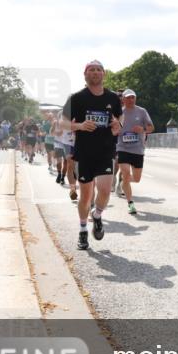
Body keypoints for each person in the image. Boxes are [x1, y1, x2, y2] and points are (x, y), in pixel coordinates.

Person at [62, 61, 122, 251]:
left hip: (105, 151)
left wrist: (117, 126)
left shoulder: (112, 97)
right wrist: (79, 126)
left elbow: (120, 118)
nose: (95, 73)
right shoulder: (77, 98)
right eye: (91, 70)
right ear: (85, 74)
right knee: (86, 195)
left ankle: (97, 215)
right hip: (85, 152)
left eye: (98, 70)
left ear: (103, 74)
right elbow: (61, 123)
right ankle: (82, 230)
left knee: (104, 191)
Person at [115, 89, 155, 215]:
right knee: (126, 173)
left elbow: (151, 128)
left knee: (136, 179)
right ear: (123, 99)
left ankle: (122, 182)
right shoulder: (119, 113)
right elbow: (113, 128)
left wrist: (142, 129)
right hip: (123, 148)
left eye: (133, 97)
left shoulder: (142, 111)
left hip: (138, 149)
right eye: (128, 97)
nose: (131, 100)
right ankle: (130, 203)